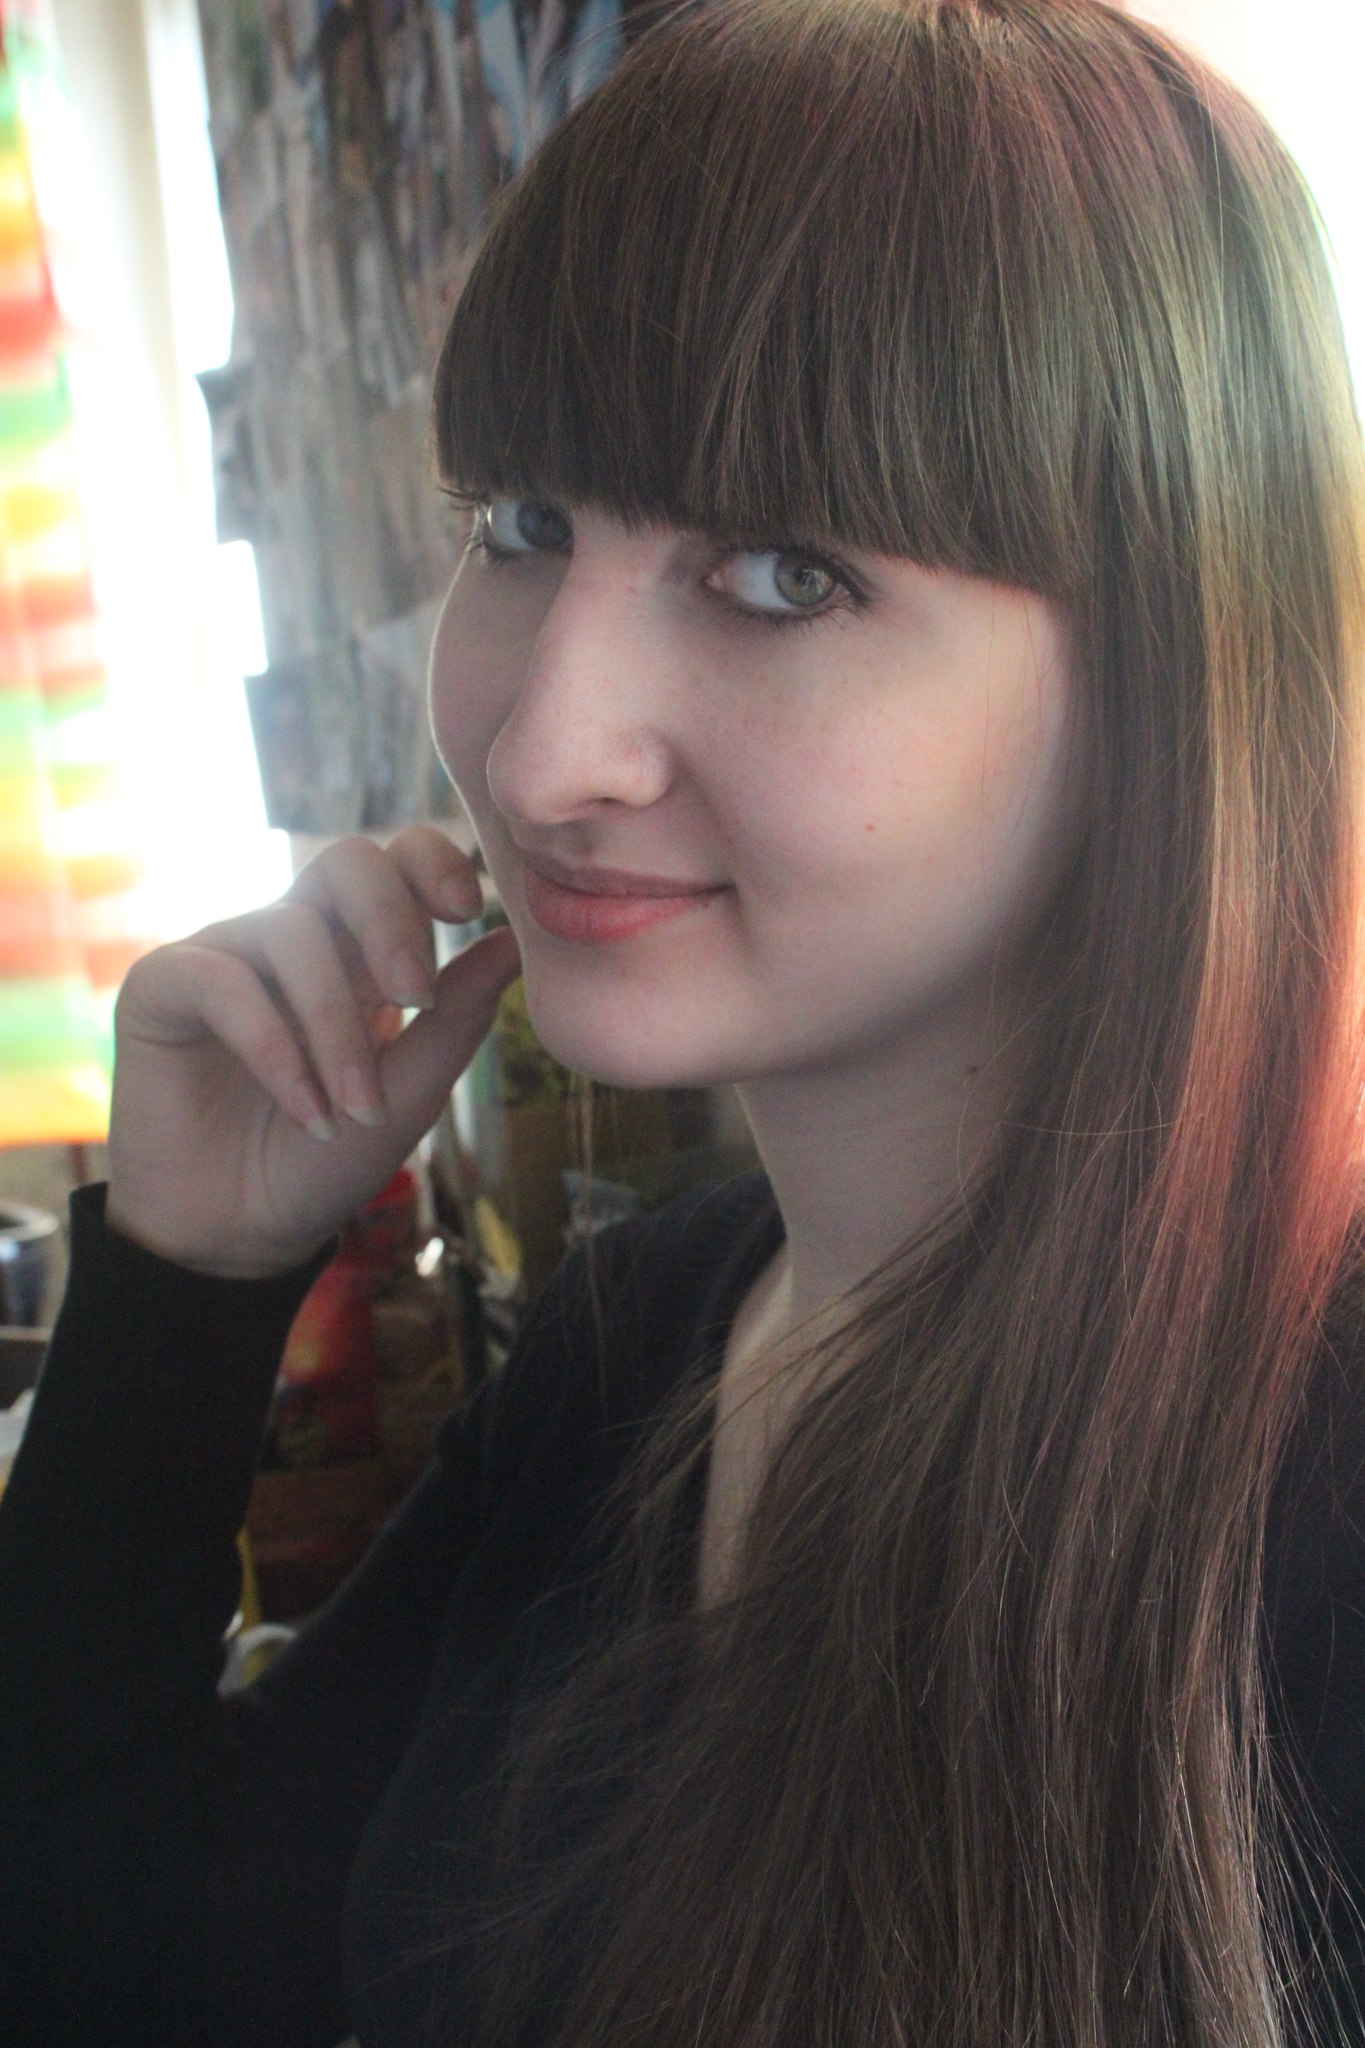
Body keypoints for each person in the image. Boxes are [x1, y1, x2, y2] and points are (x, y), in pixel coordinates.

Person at [3, 0, 1365, 2042]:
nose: (537, 754)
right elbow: (119, 1975)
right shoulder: (634, 1341)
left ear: (1171, 673)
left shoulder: (1318, 1480)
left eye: (782, 574)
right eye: (525, 527)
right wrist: (188, 1287)